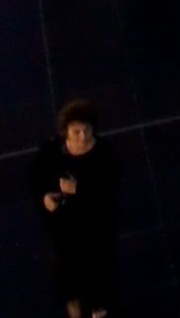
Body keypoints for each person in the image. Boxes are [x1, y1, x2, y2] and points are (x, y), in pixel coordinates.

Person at [34, 99, 120, 318]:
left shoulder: (104, 154)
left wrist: (78, 189)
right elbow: (37, 179)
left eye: (86, 130)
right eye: (76, 131)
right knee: (67, 271)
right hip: (64, 226)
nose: (82, 136)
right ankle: (74, 309)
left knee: (97, 269)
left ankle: (97, 307)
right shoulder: (53, 150)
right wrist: (45, 198)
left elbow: (108, 193)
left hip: (93, 225)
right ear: (66, 132)